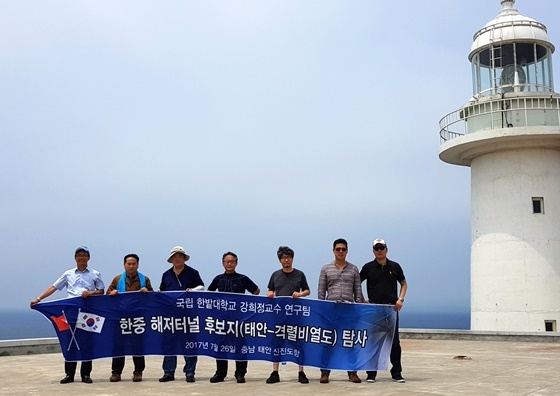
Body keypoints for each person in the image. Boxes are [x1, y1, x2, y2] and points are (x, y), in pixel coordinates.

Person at [29, 246, 105, 384]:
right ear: (75, 258)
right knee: (70, 342)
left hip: (88, 312)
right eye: (79, 255)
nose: (81, 257)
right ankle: (69, 374)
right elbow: (54, 287)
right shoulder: (68, 274)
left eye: (84, 255)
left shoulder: (95, 273)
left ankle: (86, 374)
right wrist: (39, 299)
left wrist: (91, 293)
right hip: (70, 312)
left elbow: (101, 290)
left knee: (87, 342)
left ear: (89, 258)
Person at [207, 252, 260, 384]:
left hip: (239, 320)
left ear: (236, 263)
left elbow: (256, 291)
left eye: (232, 261)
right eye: (226, 261)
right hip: (221, 320)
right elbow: (209, 294)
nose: (229, 264)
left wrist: (248, 309)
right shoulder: (218, 279)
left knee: (240, 346)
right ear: (223, 263)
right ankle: (220, 373)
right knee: (220, 346)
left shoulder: (242, 279)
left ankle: (240, 373)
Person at [360, 238, 407, 383]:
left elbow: (404, 284)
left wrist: (400, 299)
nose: (379, 251)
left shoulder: (395, 266)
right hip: (374, 309)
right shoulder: (368, 267)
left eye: (382, 248)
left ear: (387, 249)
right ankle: (371, 374)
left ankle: (397, 373)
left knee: (394, 343)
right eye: (377, 248)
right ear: (373, 251)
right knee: (373, 341)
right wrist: (362, 300)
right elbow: (357, 283)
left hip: (391, 309)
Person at [317, 238, 364, 384]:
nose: (341, 251)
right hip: (331, 310)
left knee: (350, 342)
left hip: (349, 310)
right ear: (333, 251)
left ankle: (352, 373)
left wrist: (361, 307)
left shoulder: (354, 269)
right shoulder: (325, 268)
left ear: (347, 251)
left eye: (343, 249)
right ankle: (325, 372)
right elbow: (321, 292)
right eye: (338, 249)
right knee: (328, 342)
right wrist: (322, 311)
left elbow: (358, 291)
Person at [158, 246, 204, 383]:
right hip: (170, 316)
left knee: (189, 344)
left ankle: (190, 372)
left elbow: (202, 287)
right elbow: (162, 290)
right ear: (171, 259)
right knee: (169, 344)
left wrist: (193, 290)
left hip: (188, 315)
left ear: (184, 258)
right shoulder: (166, 274)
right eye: (175, 257)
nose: (177, 259)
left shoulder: (193, 272)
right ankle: (168, 372)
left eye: (180, 256)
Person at [265, 246, 310, 384]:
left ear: (292, 258)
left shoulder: (299, 274)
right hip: (278, 316)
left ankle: (301, 372)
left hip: (295, 315)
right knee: (276, 343)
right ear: (280, 260)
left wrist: (300, 294)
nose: (286, 260)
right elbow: (270, 290)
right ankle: (275, 372)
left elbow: (307, 290)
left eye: (288, 257)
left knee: (298, 344)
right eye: (283, 258)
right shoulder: (275, 275)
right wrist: (269, 294)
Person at [106, 253, 154, 383]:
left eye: (134, 264)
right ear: (124, 265)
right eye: (129, 264)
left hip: (138, 319)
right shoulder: (117, 279)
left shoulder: (144, 279)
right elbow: (106, 295)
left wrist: (147, 293)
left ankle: (138, 372)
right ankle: (116, 372)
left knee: (137, 346)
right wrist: (112, 293)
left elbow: (153, 298)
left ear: (138, 265)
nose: (131, 266)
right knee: (118, 346)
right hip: (120, 318)